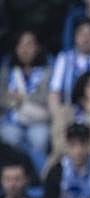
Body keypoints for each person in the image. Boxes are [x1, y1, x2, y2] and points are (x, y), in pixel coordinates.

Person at [0, 30, 54, 171]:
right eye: (22, 45)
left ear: (37, 47)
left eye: (30, 44)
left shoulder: (47, 70)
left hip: (38, 119)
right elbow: (2, 97)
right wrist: (11, 101)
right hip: (11, 119)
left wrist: (21, 99)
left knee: (40, 139)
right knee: (10, 138)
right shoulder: (7, 70)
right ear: (16, 48)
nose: (25, 49)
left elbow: (46, 97)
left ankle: (42, 176)